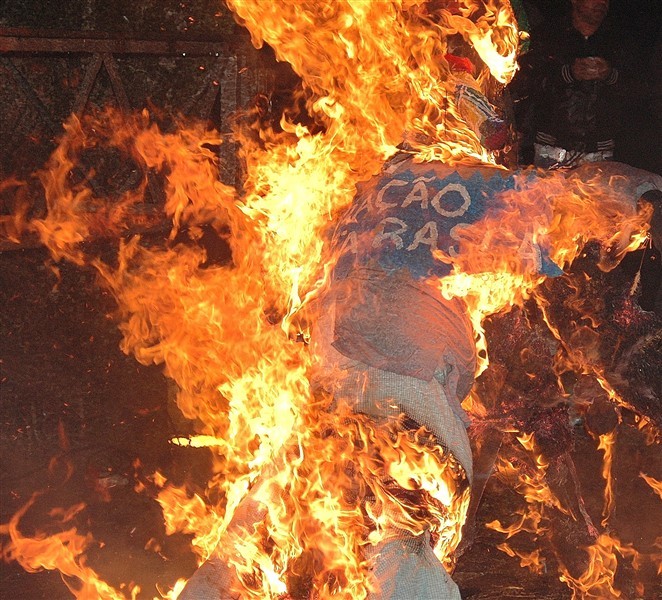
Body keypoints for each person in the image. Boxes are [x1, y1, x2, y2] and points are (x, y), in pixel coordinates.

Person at [511, 0, 638, 169]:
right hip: (550, 149)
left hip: (600, 152)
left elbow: (639, 90)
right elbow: (524, 86)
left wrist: (610, 75)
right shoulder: (548, 35)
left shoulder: (619, 40)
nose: (602, 3)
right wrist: (568, 74)